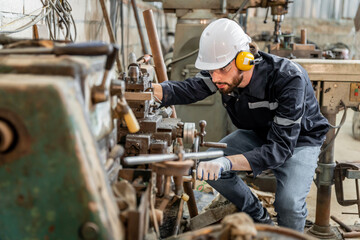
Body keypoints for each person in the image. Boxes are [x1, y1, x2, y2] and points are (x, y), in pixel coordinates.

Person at [152, 18, 329, 232]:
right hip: (260, 134)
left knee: (289, 205)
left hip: (299, 140)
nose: (216, 78)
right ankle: (259, 218)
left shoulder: (289, 79)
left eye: (222, 69)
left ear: (245, 60)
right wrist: (146, 90)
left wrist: (227, 163)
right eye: (211, 71)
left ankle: (288, 236)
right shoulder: (220, 75)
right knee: (212, 165)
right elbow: (187, 89)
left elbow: (280, 149)